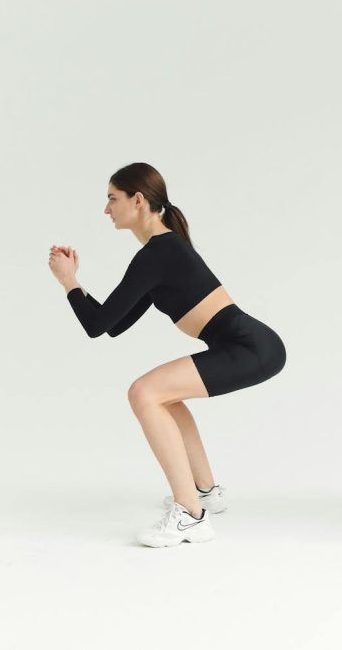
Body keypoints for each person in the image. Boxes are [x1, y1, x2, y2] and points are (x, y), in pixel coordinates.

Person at [48, 163, 286, 548]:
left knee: (144, 392)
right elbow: (110, 325)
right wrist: (73, 283)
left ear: (137, 201)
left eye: (112, 198)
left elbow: (97, 325)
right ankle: (205, 491)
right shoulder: (159, 253)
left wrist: (70, 283)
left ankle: (191, 515)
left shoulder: (159, 253)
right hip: (251, 347)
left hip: (252, 348)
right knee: (162, 395)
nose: (106, 209)